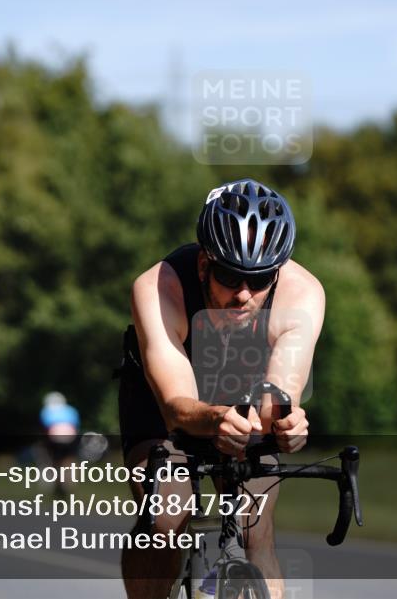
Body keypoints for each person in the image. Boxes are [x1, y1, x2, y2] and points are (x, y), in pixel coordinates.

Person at [116, 179, 325, 599]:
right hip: (163, 404)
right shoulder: (159, 289)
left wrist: (287, 422)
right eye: (230, 276)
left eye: (261, 277)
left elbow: (280, 392)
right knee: (166, 517)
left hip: (242, 400)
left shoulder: (302, 295)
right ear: (203, 266)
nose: (244, 294)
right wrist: (215, 419)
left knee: (256, 524)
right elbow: (176, 406)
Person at [40, 391, 80, 497]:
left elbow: (46, 428)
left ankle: (59, 486)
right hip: (71, 438)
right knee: (69, 462)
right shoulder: (71, 410)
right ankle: (68, 486)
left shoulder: (46, 411)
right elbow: (75, 426)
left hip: (55, 439)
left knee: (56, 463)